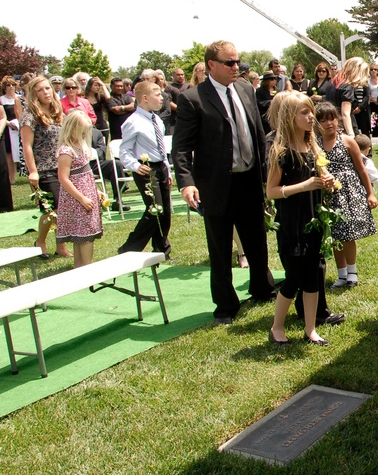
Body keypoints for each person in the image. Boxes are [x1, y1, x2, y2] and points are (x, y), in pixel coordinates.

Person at [173, 40, 276, 325]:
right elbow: (181, 147)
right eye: (230, 63)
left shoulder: (245, 88)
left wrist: (267, 169)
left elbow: (257, 132)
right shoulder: (193, 99)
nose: (236, 67)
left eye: (238, 61)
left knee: (257, 238)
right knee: (220, 247)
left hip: (250, 177)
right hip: (216, 184)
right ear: (211, 66)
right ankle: (225, 304)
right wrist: (186, 182)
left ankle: (262, 287)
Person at [266, 92, 343, 346]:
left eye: (311, 111)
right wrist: (304, 185)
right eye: (304, 112)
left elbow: (322, 178)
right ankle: (277, 327)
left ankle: (310, 329)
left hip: (314, 220)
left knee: (314, 277)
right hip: (292, 223)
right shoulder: (282, 152)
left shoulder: (313, 147)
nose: (312, 117)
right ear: (290, 117)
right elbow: (272, 191)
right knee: (294, 278)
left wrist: (328, 182)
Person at [315, 101, 378, 288]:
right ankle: (341, 274)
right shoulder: (316, 144)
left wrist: (370, 193)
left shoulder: (347, 141)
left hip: (349, 192)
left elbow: (361, 169)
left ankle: (352, 272)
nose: (329, 124)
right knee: (334, 235)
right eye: (324, 120)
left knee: (348, 234)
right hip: (328, 194)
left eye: (332, 118)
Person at [117, 80, 172, 257]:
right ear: (145, 98)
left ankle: (161, 248)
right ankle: (129, 249)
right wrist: (135, 165)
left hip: (160, 166)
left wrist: (167, 170)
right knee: (154, 210)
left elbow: (161, 147)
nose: (162, 98)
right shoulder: (133, 122)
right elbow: (124, 150)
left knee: (164, 213)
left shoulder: (156, 119)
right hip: (146, 169)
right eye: (158, 95)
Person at [21, 76, 70, 258]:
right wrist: (33, 171)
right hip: (43, 168)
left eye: (48, 88)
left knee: (63, 207)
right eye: (41, 90)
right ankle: (40, 241)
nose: (46, 92)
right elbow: (26, 146)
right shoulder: (30, 116)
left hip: (62, 166)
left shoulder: (59, 112)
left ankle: (60, 246)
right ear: (34, 94)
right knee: (52, 208)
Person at [55, 110, 103, 267]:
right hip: (77, 198)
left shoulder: (81, 147)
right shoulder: (66, 151)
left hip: (87, 193)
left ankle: (81, 266)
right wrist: (81, 198)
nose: (84, 135)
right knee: (84, 232)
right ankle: (86, 266)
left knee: (82, 233)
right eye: (82, 132)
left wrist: (95, 191)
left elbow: (87, 172)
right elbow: (63, 178)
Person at [334, 57, 366, 138]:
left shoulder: (333, 83)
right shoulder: (347, 87)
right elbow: (345, 114)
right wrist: (351, 135)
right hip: (343, 128)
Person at [0, 76, 22, 186]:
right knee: (9, 153)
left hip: (20, 128)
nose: (11, 87)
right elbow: (2, 116)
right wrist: (9, 124)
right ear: (4, 87)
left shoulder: (19, 98)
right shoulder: (1, 100)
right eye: (8, 85)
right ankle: (11, 177)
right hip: (8, 128)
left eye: (13, 84)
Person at [83, 76, 111, 141]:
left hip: (102, 126)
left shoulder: (100, 97)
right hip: (89, 126)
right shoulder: (83, 99)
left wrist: (103, 85)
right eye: (95, 85)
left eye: (99, 85)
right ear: (89, 86)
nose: (98, 87)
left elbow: (108, 97)